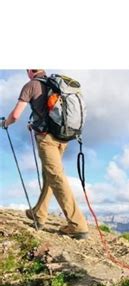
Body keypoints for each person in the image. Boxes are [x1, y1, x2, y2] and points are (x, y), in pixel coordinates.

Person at [0, 69, 89, 239]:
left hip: (47, 140)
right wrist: (34, 124)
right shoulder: (54, 84)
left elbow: (16, 115)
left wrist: (4, 123)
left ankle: (78, 225)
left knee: (56, 177)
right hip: (63, 137)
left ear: (29, 70)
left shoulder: (31, 85)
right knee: (50, 175)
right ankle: (39, 214)